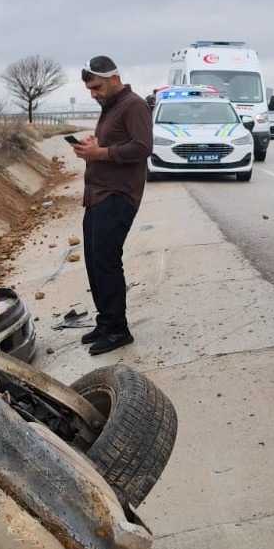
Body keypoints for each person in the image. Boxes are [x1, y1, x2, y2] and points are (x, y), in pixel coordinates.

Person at [72, 56, 153, 355]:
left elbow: (143, 146)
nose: (93, 94)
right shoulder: (110, 107)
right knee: (94, 261)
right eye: (89, 89)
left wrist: (101, 153)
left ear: (114, 79)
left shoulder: (133, 105)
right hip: (97, 194)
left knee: (107, 262)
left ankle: (118, 330)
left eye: (96, 87)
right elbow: (112, 145)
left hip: (118, 196)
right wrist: (92, 146)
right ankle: (106, 322)